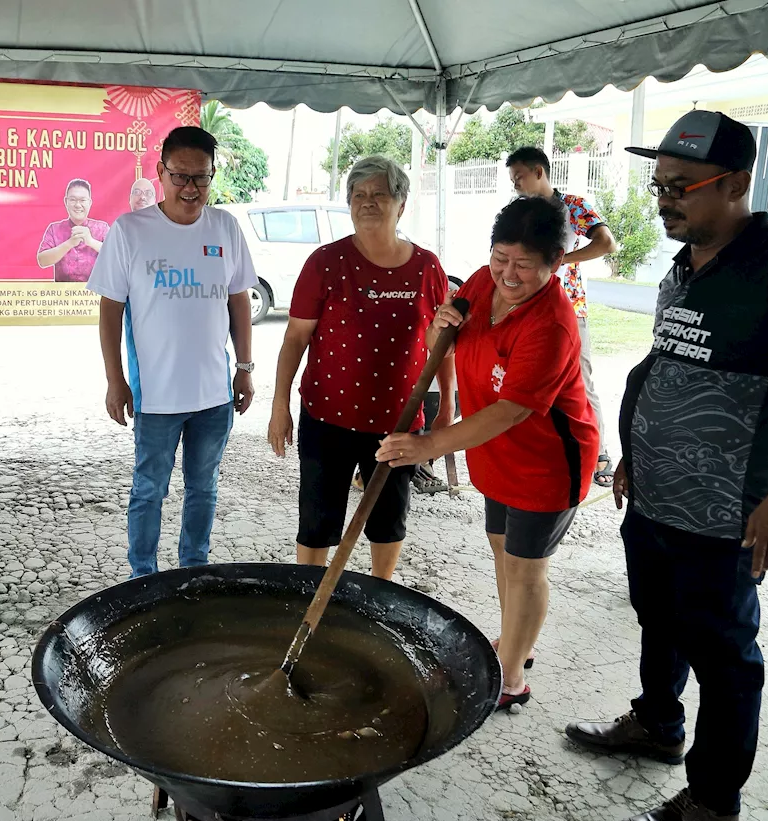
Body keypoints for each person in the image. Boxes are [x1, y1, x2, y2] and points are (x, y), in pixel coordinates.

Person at [566, 111, 768, 821]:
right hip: (657, 494)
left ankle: (714, 800)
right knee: (657, 612)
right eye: (658, 185)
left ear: (736, 184)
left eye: (681, 186)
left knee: (724, 652)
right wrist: (636, 453)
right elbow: (666, 366)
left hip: (726, 510)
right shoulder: (685, 260)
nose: (663, 199)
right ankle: (656, 722)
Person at [376, 196, 599, 710]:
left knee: (526, 567)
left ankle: (513, 675)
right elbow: (445, 339)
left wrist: (427, 444)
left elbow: (511, 411)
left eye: (524, 265)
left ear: (556, 263)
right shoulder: (482, 280)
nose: (508, 274)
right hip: (492, 451)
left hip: (544, 462)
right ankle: (514, 640)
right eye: (501, 257)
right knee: (502, 550)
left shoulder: (552, 323)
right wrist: (441, 323)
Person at [268, 155, 453, 580]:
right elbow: (295, 338)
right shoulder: (325, 262)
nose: (367, 202)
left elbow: (445, 343)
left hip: (399, 423)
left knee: (388, 521)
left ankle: (378, 595)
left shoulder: (426, 267)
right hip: (326, 416)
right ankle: (309, 595)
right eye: (358, 195)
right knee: (317, 522)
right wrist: (280, 406)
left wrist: (444, 408)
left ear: (401, 205)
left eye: (379, 194)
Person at [88, 126, 256, 578]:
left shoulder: (225, 227)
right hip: (156, 398)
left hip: (214, 397)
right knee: (148, 490)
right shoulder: (130, 231)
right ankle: (142, 575)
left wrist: (244, 368)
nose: (190, 188)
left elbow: (239, 298)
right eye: (180, 176)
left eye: (201, 178)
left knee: (204, 489)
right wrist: (114, 380)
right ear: (160, 172)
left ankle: (193, 569)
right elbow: (110, 311)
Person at [507, 146, 618, 487]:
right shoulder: (517, 212)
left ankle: (598, 453)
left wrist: (562, 261)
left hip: (569, 308)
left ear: (539, 172)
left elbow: (607, 243)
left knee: (581, 378)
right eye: (513, 180)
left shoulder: (572, 206)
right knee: (524, 380)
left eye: (519, 177)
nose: (515, 186)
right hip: (525, 308)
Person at [38, 179, 109, 282]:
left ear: (89, 202)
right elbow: (42, 261)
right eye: (73, 200)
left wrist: (91, 241)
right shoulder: (54, 229)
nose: (78, 205)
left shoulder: (102, 228)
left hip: (95, 294)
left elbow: (117, 257)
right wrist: (69, 243)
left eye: (82, 200)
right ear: (66, 201)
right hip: (63, 295)